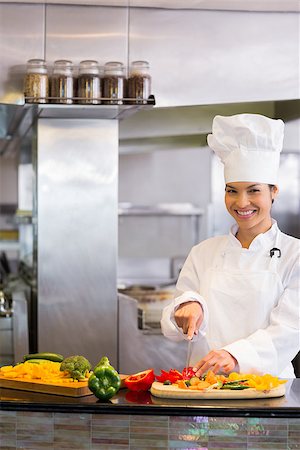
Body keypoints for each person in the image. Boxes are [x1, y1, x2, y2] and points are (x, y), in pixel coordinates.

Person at [161, 113, 300, 378]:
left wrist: (235, 356)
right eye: (232, 190)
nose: (241, 202)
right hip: (204, 390)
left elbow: (291, 330)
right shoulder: (203, 252)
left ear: (274, 192)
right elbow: (172, 321)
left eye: (253, 190)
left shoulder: (295, 255)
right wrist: (187, 306)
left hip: (270, 391)